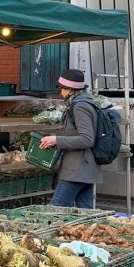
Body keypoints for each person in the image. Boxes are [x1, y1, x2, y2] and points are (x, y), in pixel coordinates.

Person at [39, 68, 101, 209]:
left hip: (77, 168)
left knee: (56, 209)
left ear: (70, 90)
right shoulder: (84, 103)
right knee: (84, 211)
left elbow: (87, 139)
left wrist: (57, 140)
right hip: (85, 167)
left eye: (61, 88)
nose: (60, 91)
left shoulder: (80, 107)